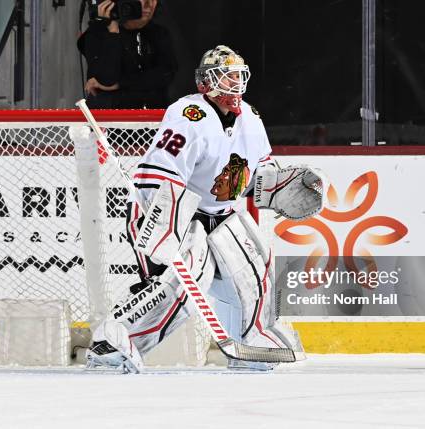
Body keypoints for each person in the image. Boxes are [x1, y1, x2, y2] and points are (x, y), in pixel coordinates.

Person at [72, 45, 324, 373]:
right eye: (227, 76)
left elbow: (257, 176)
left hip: (220, 213)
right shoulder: (188, 114)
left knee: (254, 270)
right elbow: (160, 177)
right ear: (207, 81)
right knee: (180, 287)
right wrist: (164, 225)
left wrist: (279, 187)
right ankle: (114, 343)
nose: (235, 83)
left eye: (238, 75)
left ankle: (253, 340)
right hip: (173, 211)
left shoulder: (251, 118)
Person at [77, 0, 177, 108]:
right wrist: (113, 32)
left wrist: (121, 83)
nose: (149, 5)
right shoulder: (98, 33)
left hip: (153, 118)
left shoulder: (159, 33)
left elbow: (165, 74)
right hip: (113, 118)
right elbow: (105, 80)